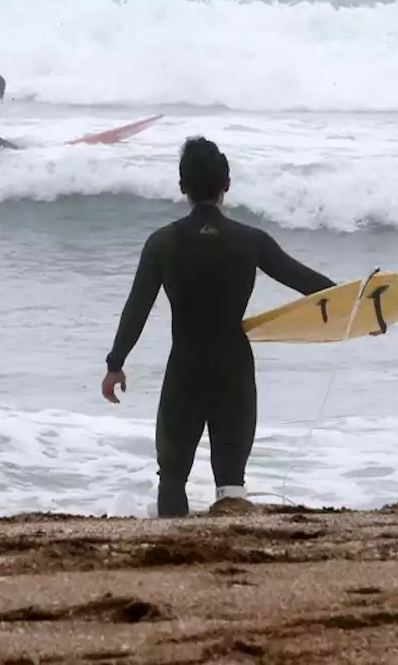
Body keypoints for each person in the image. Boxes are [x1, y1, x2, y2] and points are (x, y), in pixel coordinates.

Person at [101, 136, 336, 518]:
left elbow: (137, 308)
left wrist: (115, 363)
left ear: (182, 187)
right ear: (227, 183)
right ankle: (229, 556)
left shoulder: (162, 243)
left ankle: (172, 555)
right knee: (230, 479)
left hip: (185, 371)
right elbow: (306, 283)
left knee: (173, 475)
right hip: (234, 370)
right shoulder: (251, 241)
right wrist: (364, 309)